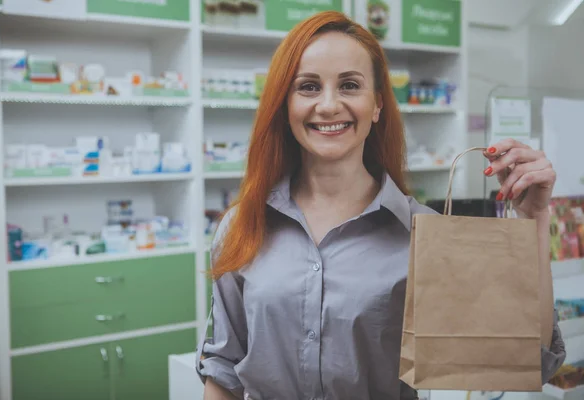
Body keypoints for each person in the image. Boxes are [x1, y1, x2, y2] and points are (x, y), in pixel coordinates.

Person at [196, 10, 566, 400]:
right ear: (284, 105)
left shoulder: (423, 233)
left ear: (376, 105)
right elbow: (224, 370)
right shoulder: (243, 226)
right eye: (307, 87)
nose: (328, 105)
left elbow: (526, 361)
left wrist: (533, 219)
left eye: (350, 85)